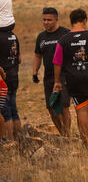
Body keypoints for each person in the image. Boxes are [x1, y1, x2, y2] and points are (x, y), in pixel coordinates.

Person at [33, 7, 71, 136]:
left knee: (64, 106)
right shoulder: (41, 37)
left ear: (56, 20)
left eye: (49, 20)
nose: (46, 22)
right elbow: (38, 55)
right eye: (44, 20)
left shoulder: (66, 34)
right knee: (51, 107)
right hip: (48, 77)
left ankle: (67, 135)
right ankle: (62, 134)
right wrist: (35, 71)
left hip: (64, 76)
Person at [53, 8, 88, 147]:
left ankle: (86, 142)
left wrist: (57, 81)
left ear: (71, 22)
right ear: (85, 21)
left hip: (74, 80)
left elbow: (57, 62)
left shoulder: (63, 40)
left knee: (81, 109)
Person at [0, 12, 21, 140]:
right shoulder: (13, 36)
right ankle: (18, 139)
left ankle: (7, 140)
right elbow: (19, 59)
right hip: (13, 76)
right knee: (13, 110)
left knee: (3, 112)